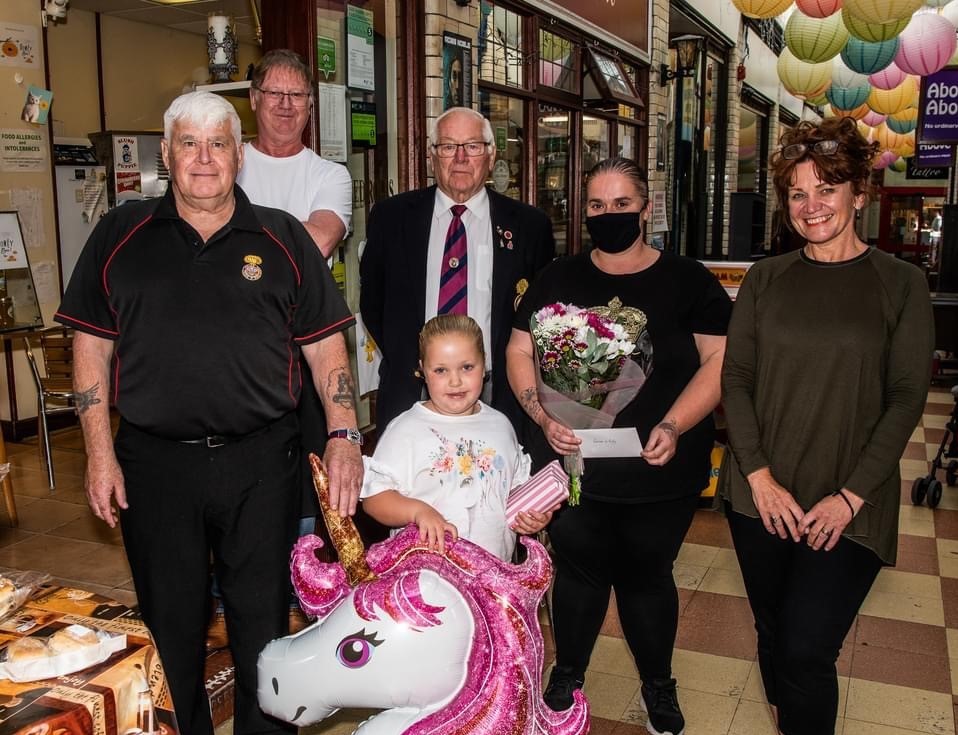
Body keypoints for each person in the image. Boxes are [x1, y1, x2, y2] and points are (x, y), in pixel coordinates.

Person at [54, 90, 363, 735]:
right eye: (188, 144)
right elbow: (90, 345)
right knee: (171, 630)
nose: (203, 158)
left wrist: (343, 434)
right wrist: (99, 453)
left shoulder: (282, 237)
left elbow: (326, 346)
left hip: (261, 464)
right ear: (166, 155)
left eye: (217, 143)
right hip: (155, 467)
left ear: (238, 157)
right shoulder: (120, 233)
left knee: (262, 630)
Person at [718, 116, 934, 735]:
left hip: (850, 501)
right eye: (797, 194)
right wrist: (758, 477)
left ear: (859, 194)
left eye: (826, 190)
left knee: (806, 648)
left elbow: (905, 398)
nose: (811, 207)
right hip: (760, 495)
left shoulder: (900, 284)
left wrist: (849, 497)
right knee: (774, 633)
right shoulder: (765, 279)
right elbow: (736, 382)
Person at [506, 157, 731, 735]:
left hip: (662, 468)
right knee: (578, 573)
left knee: (647, 575)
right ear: (584, 213)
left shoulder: (688, 281)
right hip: (575, 467)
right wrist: (541, 413)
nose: (609, 216)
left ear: (646, 208)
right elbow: (518, 351)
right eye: (597, 207)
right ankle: (567, 673)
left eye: (621, 205)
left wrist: (675, 425)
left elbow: (719, 362)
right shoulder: (558, 277)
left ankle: (659, 684)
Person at [203, 47, 354, 648]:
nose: (287, 107)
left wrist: (235, 262)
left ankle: (302, 593)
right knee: (230, 477)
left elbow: (316, 243)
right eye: (275, 95)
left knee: (306, 482)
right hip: (227, 365)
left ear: (310, 108)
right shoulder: (228, 167)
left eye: (298, 97)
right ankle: (225, 597)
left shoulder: (328, 174)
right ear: (254, 101)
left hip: (306, 358)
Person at [360, 106, 555, 437]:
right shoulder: (390, 218)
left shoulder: (529, 226)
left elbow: (541, 314)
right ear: (432, 157)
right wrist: (414, 361)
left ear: (491, 156)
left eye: (473, 146)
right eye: (448, 146)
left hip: (500, 393)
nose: (461, 158)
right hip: (413, 389)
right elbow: (373, 303)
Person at [360, 314, 556, 561]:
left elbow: (515, 490)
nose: (455, 381)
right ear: (423, 370)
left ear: (484, 365)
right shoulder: (406, 430)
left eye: (466, 367)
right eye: (441, 370)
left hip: (494, 576)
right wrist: (419, 511)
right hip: (427, 580)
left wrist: (533, 514)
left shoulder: (501, 425)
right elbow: (374, 499)